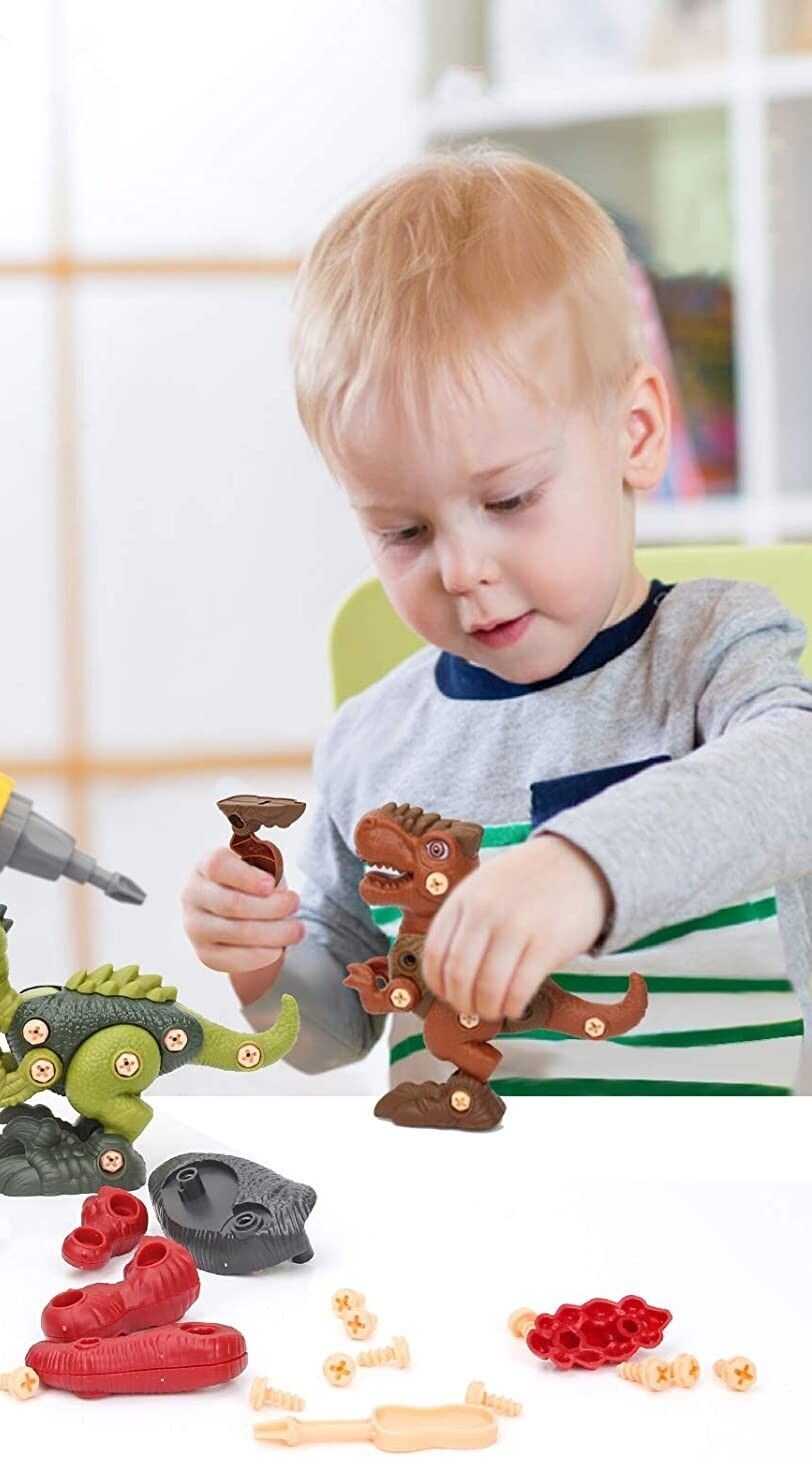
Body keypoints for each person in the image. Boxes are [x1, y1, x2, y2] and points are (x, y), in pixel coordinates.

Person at [181, 147, 812, 1097]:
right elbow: (335, 1031)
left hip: (738, 1180)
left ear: (635, 434)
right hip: (477, 1181)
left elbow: (794, 776)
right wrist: (262, 963)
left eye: (510, 499)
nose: (461, 569)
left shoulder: (711, 652)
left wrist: (579, 870)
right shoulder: (370, 746)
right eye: (403, 530)